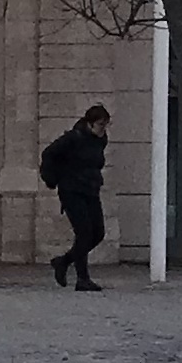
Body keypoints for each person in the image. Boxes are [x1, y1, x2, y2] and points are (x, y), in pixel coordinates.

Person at [41, 104, 111, 291]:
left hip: (90, 189)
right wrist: (52, 179)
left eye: (105, 125)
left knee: (98, 233)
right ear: (89, 123)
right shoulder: (73, 138)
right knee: (84, 233)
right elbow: (49, 154)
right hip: (72, 190)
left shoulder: (101, 140)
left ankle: (63, 261)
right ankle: (82, 278)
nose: (103, 129)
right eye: (100, 124)